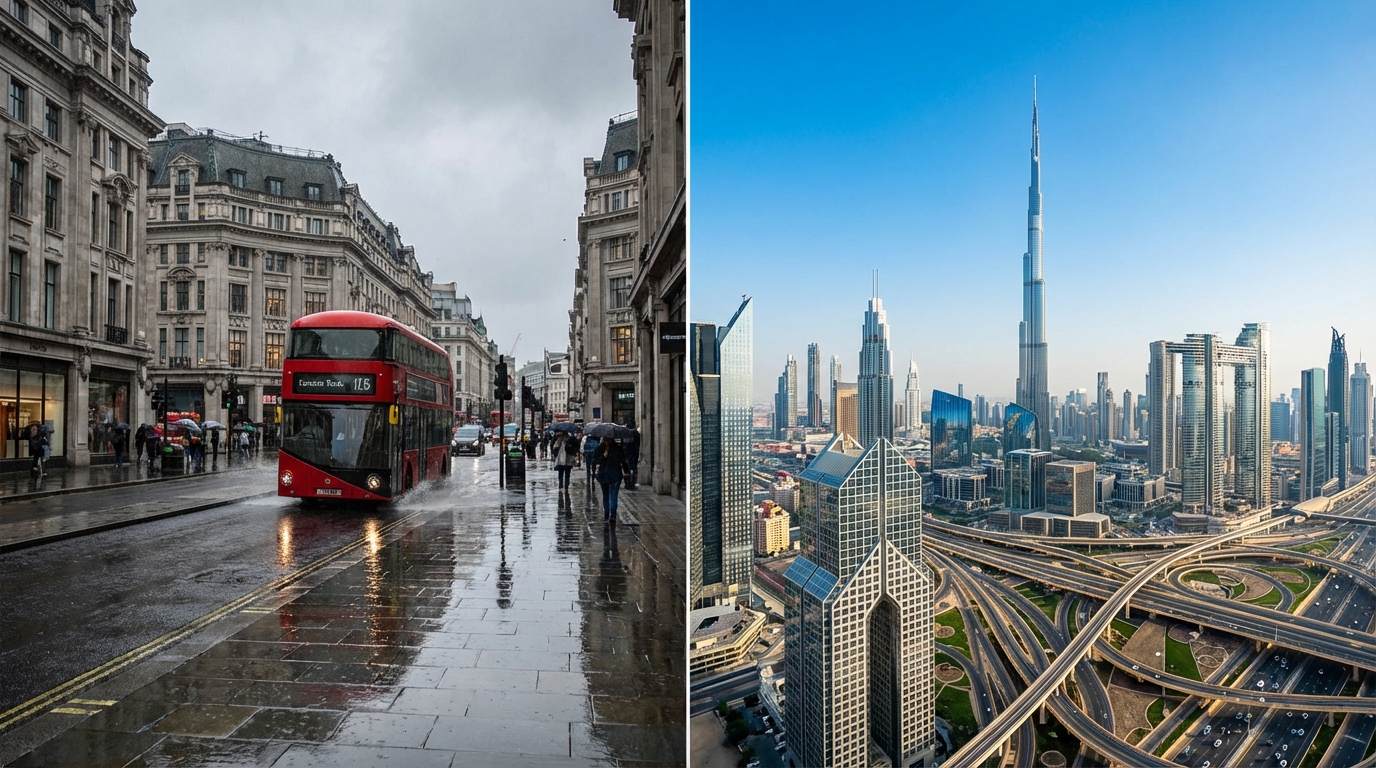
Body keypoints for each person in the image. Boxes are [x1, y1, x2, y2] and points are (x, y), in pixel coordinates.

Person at [595, 438, 630, 523]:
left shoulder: (616, 449)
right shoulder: (601, 449)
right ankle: (609, 515)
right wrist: (603, 455)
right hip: (607, 475)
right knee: (607, 495)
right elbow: (595, 461)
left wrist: (626, 471)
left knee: (611, 496)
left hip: (613, 474)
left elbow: (623, 461)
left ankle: (611, 516)